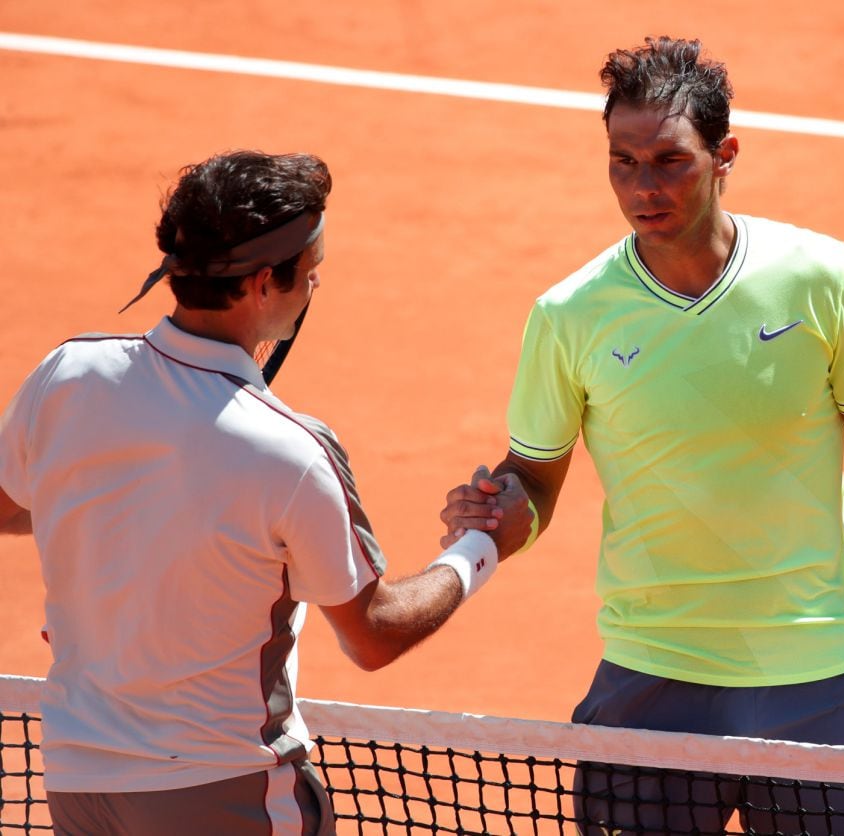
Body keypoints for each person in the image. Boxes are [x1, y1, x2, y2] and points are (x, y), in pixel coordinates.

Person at [441, 37, 844, 835]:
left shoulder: (821, 278)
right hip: (650, 679)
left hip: (816, 680)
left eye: (669, 161)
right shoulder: (570, 315)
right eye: (622, 162)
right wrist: (498, 514)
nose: (642, 187)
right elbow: (536, 477)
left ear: (725, 153)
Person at [0, 150, 528, 836]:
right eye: (310, 277)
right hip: (226, 796)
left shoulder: (66, 375)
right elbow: (374, 633)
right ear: (260, 286)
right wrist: (481, 546)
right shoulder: (291, 451)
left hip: (79, 788)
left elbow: (16, 503)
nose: (314, 289)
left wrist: (116, 577)